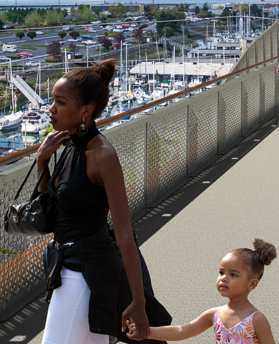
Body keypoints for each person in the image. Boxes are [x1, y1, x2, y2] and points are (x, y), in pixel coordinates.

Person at [38, 60, 170, 343]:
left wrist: (138, 300)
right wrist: (42, 161)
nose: (51, 109)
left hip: (84, 273)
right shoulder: (70, 146)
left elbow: (124, 232)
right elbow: (50, 208)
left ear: (85, 110)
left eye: (60, 102)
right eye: (53, 101)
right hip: (70, 267)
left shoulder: (102, 155)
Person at [126, 240, 278, 343]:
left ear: (252, 284)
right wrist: (146, 332)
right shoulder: (215, 314)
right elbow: (181, 331)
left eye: (233, 274)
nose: (224, 278)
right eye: (221, 272)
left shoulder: (256, 319)